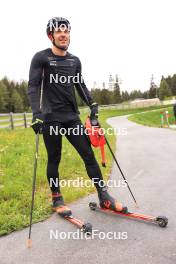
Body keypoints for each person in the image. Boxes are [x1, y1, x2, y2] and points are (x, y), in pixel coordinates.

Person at [28, 17, 128, 217]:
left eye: (66, 31)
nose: (63, 34)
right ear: (51, 36)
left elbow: (80, 84)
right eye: (58, 31)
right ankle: (57, 198)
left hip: (71, 117)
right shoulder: (41, 58)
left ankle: (104, 195)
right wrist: (36, 114)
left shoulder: (75, 61)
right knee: (54, 159)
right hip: (50, 118)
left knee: (88, 155)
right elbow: (33, 86)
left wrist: (92, 104)